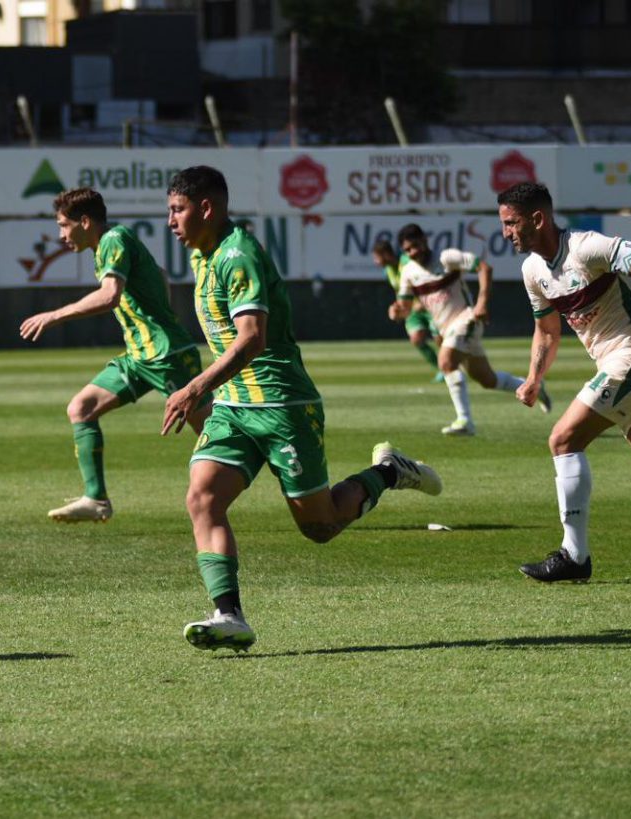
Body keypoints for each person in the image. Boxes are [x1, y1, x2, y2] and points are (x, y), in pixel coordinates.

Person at [162, 166, 442, 652]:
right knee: (202, 498)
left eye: (177, 210)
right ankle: (228, 615)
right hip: (234, 406)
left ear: (205, 208)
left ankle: (389, 472)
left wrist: (194, 388)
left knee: (320, 525)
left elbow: (252, 339)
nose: (170, 221)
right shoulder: (203, 257)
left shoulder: (237, 255)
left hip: (283, 404)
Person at [497, 181, 631, 582]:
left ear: (538, 218)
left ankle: (574, 557)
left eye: (512, 223)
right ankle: (574, 557)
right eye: (503, 224)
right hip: (624, 367)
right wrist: (533, 378)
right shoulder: (532, 271)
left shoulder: (586, 248)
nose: (506, 233)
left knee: (563, 439)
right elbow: (547, 331)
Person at [19, 187, 212, 523]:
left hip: (166, 354)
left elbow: (109, 296)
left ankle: (286, 472)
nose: (61, 235)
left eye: (64, 226)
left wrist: (53, 316)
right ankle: (96, 500)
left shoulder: (113, 239)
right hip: (140, 356)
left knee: (215, 431)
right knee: (81, 408)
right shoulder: (107, 245)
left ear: (84, 221)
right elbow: (160, 275)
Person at [388, 222, 550, 436]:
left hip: (467, 318)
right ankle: (534, 386)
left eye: (416, 245)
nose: (413, 252)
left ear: (425, 240)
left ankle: (465, 421)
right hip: (446, 329)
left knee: (445, 362)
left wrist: (482, 303)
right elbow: (405, 307)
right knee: (487, 380)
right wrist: (397, 312)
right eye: (408, 250)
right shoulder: (408, 272)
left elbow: (484, 267)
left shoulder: (447, 258)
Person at [372, 238, 442, 381]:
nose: (375, 262)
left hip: (429, 305)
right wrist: (397, 306)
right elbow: (400, 291)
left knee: (439, 340)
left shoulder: (408, 262)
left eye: (376, 257)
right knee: (416, 339)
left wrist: (424, 300)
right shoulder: (388, 270)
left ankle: (450, 367)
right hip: (412, 308)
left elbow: (425, 279)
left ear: (385, 254)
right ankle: (441, 369)